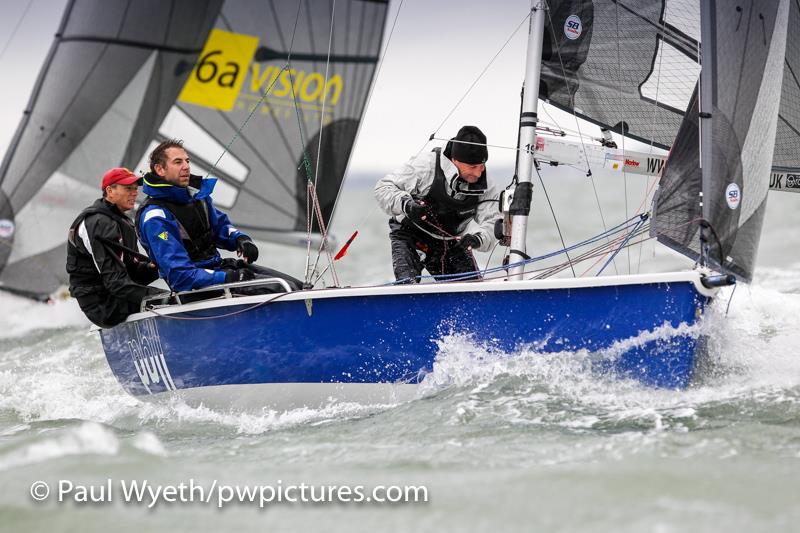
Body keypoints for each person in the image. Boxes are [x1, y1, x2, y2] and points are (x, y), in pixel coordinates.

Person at [136, 139, 303, 294]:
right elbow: (180, 276)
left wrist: (241, 239)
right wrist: (227, 278)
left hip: (221, 270)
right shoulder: (155, 217)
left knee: (297, 286)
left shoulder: (197, 198)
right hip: (197, 288)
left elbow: (221, 227)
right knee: (281, 289)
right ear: (159, 169)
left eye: (187, 161)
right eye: (178, 162)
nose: (186, 167)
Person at [374, 125, 501, 283]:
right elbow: (383, 187)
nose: (478, 173)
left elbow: (492, 220)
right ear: (455, 160)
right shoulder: (425, 166)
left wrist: (477, 239)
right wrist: (407, 205)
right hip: (411, 236)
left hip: (451, 243)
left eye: (482, 166)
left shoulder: (485, 184)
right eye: (473, 167)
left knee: (473, 299)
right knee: (407, 288)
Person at [66, 167, 163, 327]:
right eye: (128, 188)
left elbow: (128, 272)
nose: (134, 193)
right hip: (103, 306)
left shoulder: (118, 219)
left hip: (114, 294)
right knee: (173, 299)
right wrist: (164, 296)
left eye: (135, 188)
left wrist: (154, 268)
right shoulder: (99, 223)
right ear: (110, 191)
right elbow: (116, 283)